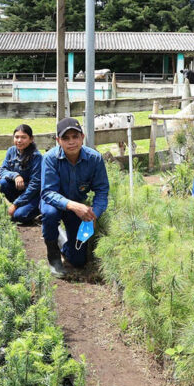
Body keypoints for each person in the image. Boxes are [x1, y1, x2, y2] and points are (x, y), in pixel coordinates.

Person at [41, 117, 109, 278]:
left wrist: (94, 214)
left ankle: (61, 238)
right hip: (53, 203)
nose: (71, 142)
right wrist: (73, 205)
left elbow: (102, 190)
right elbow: (48, 192)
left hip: (77, 207)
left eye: (75, 137)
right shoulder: (50, 158)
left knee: (78, 261)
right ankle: (53, 257)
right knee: (50, 215)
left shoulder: (94, 159)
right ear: (58, 140)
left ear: (82, 137)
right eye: (65, 138)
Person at [0, 124, 42, 224]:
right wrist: (15, 176)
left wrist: (15, 205)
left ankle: (37, 210)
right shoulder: (11, 151)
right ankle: (21, 209)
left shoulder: (36, 157)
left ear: (31, 139)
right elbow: (2, 170)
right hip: (19, 190)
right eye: (16, 137)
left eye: (23, 137)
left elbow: (35, 185)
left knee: (19, 216)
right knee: (2, 183)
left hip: (33, 194)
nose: (19, 140)